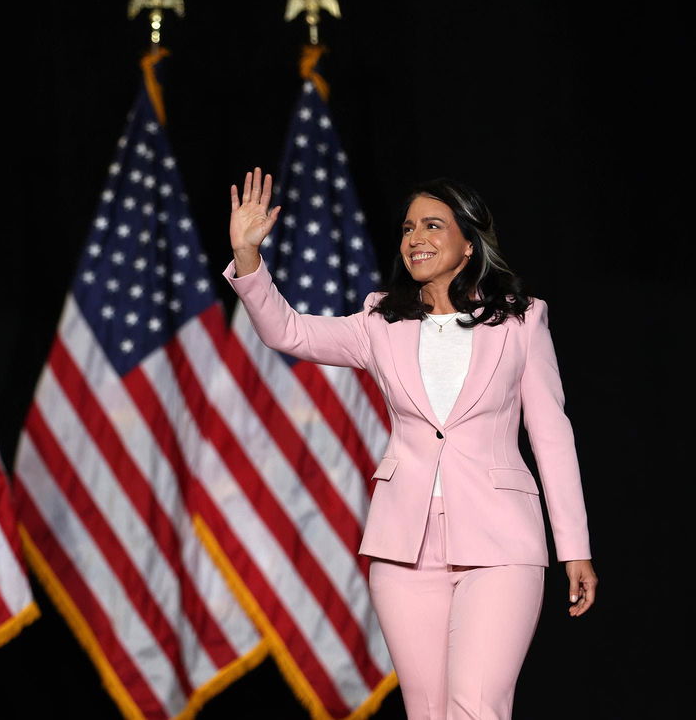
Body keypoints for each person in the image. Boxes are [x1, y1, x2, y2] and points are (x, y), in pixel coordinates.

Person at [223, 168, 597, 720]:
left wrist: (575, 547)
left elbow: (552, 436)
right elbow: (289, 331)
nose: (415, 237)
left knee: (475, 706)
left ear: (468, 243)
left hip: (500, 545)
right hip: (405, 549)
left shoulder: (521, 320)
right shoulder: (381, 321)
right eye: (407, 228)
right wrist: (248, 257)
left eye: (432, 225)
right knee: (428, 712)